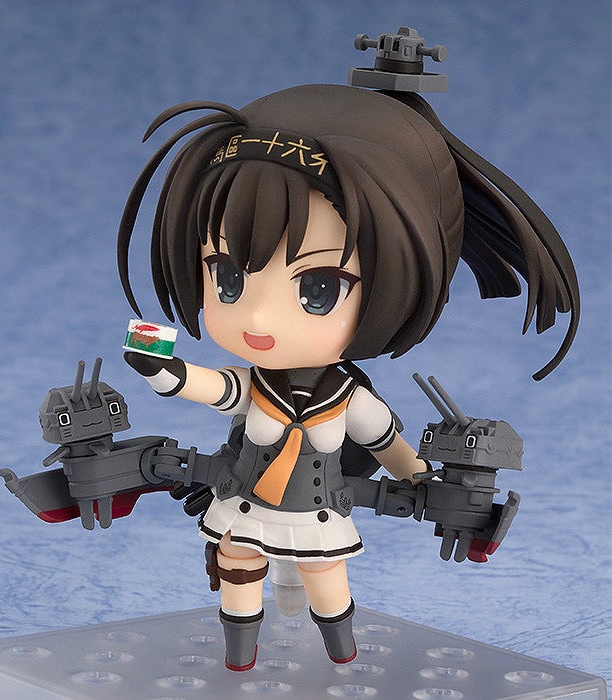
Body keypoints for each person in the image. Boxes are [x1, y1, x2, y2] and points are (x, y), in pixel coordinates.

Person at [117, 84, 579, 670]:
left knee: (325, 577)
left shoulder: (347, 398)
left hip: (317, 515)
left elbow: (386, 443)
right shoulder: (256, 385)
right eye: (227, 278)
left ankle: (341, 656)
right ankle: (239, 657)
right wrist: (164, 371)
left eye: (317, 289)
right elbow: (215, 388)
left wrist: (420, 482)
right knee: (237, 565)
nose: (258, 320)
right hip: (247, 505)